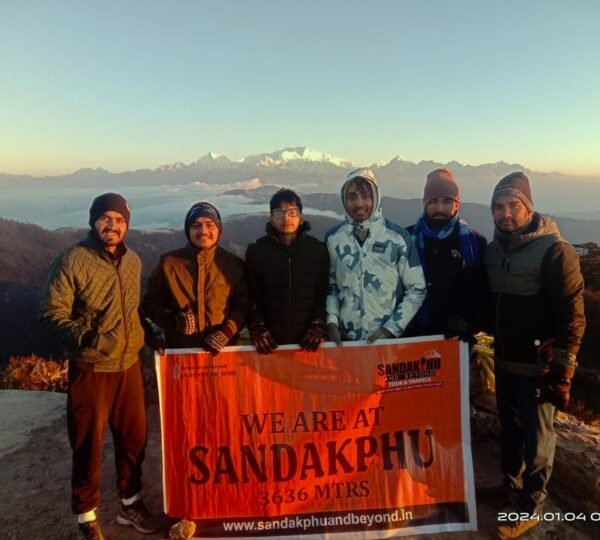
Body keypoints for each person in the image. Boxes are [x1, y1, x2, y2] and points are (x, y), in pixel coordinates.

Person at [38, 193, 161, 540]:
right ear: (93, 221)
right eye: (106, 218)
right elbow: (50, 315)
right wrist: (90, 338)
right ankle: (86, 517)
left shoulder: (133, 261)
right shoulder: (72, 261)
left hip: (128, 367)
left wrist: (148, 332)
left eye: (120, 220)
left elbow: (131, 310)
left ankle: (130, 503)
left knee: (134, 440)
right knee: (87, 444)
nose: (113, 225)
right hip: (91, 368)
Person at [485, 173, 585, 539]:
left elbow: (573, 315)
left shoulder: (554, 251)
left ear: (529, 208)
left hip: (538, 367)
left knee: (538, 438)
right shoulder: (494, 250)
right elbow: (491, 305)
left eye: (513, 206)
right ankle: (509, 488)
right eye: (498, 207)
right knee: (510, 429)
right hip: (505, 360)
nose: (505, 214)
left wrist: (563, 369)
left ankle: (530, 507)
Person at [325, 168, 426, 344]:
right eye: (352, 197)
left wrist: (391, 329)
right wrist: (332, 322)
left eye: (366, 196)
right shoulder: (333, 239)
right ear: (344, 200)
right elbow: (330, 287)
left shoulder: (398, 238)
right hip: (346, 342)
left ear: (376, 197)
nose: (359, 204)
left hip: (388, 343)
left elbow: (417, 289)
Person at [142, 201, 248, 354]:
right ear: (188, 230)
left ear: (219, 230)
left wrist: (227, 331)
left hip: (224, 355)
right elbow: (151, 303)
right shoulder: (169, 263)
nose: (203, 231)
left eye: (209, 225)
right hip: (181, 353)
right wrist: (173, 321)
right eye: (196, 225)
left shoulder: (234, 265)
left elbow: (243, 305)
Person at [406, 168, 488, 341]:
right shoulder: (406, 239)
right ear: (425, 203)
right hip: (413, 336)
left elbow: (481, 291)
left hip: (456, 338)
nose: (440, 208)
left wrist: (467, 320)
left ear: (457, 204)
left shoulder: (475, 242)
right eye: (434, 201)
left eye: (447, 201)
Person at [245, 188, 329, 353]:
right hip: (269, 344)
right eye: (279, 213)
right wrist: (257, 326)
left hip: (309, 344)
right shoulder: (256, 251)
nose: (286, 218)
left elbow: (323, 293)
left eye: (292, 212)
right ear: (270, 218)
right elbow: (250, 295)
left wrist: (318, 325)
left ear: (301, 217)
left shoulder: (317, 250)